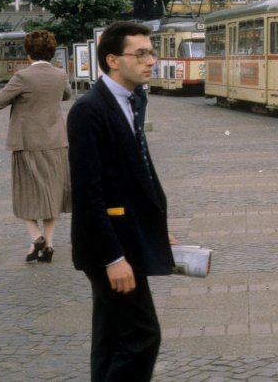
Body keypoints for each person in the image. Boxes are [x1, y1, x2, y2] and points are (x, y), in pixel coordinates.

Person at [67, 21, 176, 382]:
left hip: (127, 236)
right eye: (141, 53)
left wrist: (156, 229)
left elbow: (137, 172)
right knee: (143, 335)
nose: (151, 61)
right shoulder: (89, 110)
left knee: (112, 336)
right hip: (109, 248)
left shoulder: (133, 100)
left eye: (151, 52)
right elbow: (88, 193)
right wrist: (113, 258)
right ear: (113, 60)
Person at [0, 30, 73, 263]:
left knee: (25, 193)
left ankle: (36, 237)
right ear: (52, 51)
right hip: (56, 142)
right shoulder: (59, 74)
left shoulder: (22, 76)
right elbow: (67, 95)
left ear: (28, 53)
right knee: (52, 194)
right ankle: (49, 243)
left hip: (27, 143)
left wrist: (19, 97)